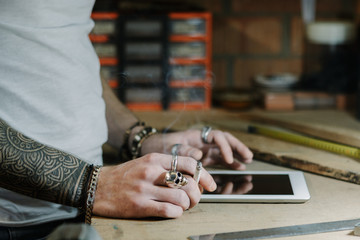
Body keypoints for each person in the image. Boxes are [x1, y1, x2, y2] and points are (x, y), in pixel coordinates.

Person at [0, 0, 253, 239]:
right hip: (12, 221)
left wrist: (140, 138)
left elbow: (60, 44)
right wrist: (97, 185)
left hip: (87, 209)